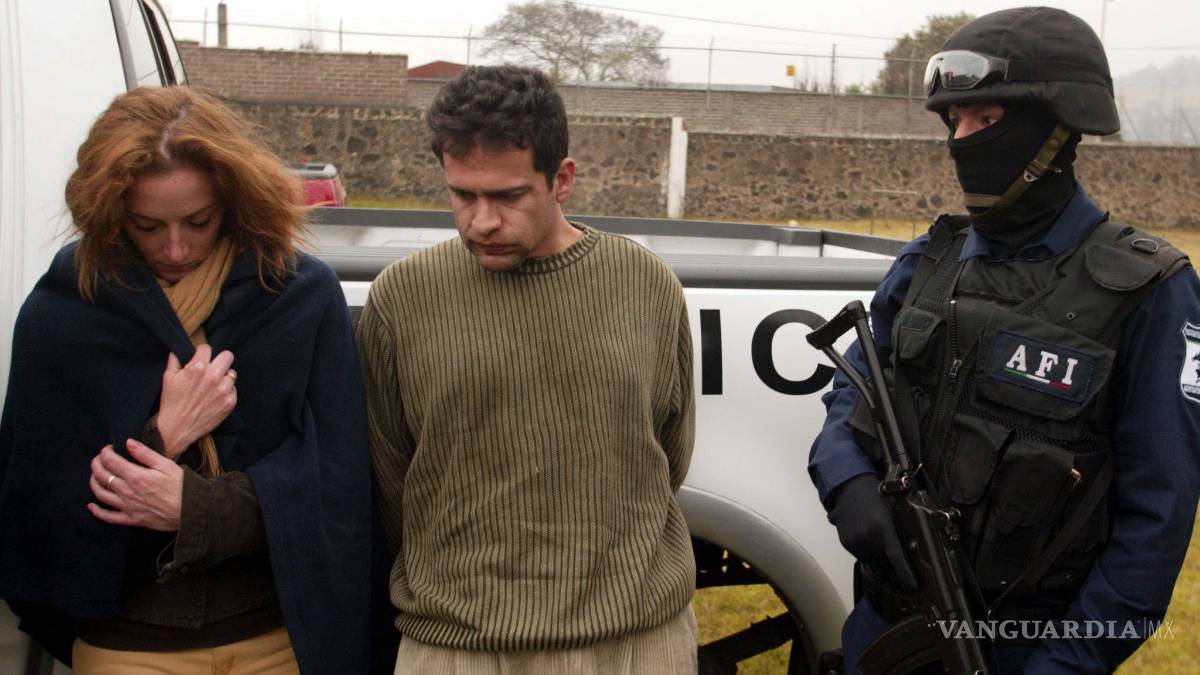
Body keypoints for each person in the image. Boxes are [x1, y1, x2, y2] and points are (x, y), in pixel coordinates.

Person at [809, 7, 1200, 675]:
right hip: (886, 633)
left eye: (985, 120)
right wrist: (847, 481)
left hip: (1028, 649)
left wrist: (1062, 665)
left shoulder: (1150, 291)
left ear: (1057, 129)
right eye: (954, 122)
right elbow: (854, 387)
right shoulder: (928, 261)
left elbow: (1154, 526)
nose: (961, 140)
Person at [0, 86, 382, 674]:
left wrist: (198, 509)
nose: (175, 249)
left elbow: (337, 482)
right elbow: (38, 506)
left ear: (232, 202)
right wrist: (166, 433)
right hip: (129, 643)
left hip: (276, 638)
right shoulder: (68, 311)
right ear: (111, 213)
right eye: (147, 226)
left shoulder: (296, 297)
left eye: (198, 222)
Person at [357, 65, 698, 674]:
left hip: (635, 644)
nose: (481, 221)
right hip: (457, 647)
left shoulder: (647, 286)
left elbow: (667, 454)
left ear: (561, 179)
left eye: (508, 196)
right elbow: (389, 477)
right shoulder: (401, 299)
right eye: (463, 195)